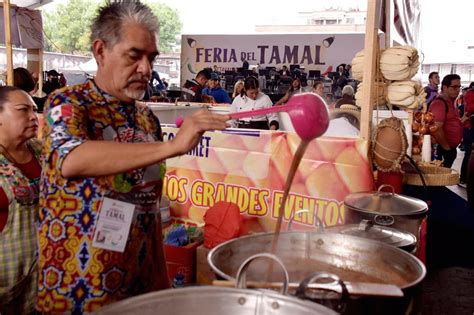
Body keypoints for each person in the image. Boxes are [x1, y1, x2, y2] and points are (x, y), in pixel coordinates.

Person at [36, 2, 229, 313]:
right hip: (78, 290)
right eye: (134, 55)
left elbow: (149, 208)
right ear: (100, 51)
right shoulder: (68, 103)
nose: (146, 69)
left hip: (138, 289)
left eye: (150, 58)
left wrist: (162, 289)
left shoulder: (146, 120)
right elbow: (70, 157)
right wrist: (172, 146)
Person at [0, 86, 41, 314]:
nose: (33, 117)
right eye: (23, 110)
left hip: (41, 283)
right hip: (6, 286)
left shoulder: (43, 152)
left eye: (34, 110)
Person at [428, 74, 463, 168]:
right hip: (441, 149)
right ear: (445, 87)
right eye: (454, 87)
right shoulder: (440, 103)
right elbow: (436, 129)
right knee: (438, 180)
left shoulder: (451, 102)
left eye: (459, 87)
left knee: (443, 179)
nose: (458, 89)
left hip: (448, 148)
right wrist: (447, 149)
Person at [460, 82, 474, 187]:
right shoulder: (470, 93)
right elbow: (469, 109)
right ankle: (463, 178)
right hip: (469, 128)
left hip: (469, 127)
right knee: (469, 153)